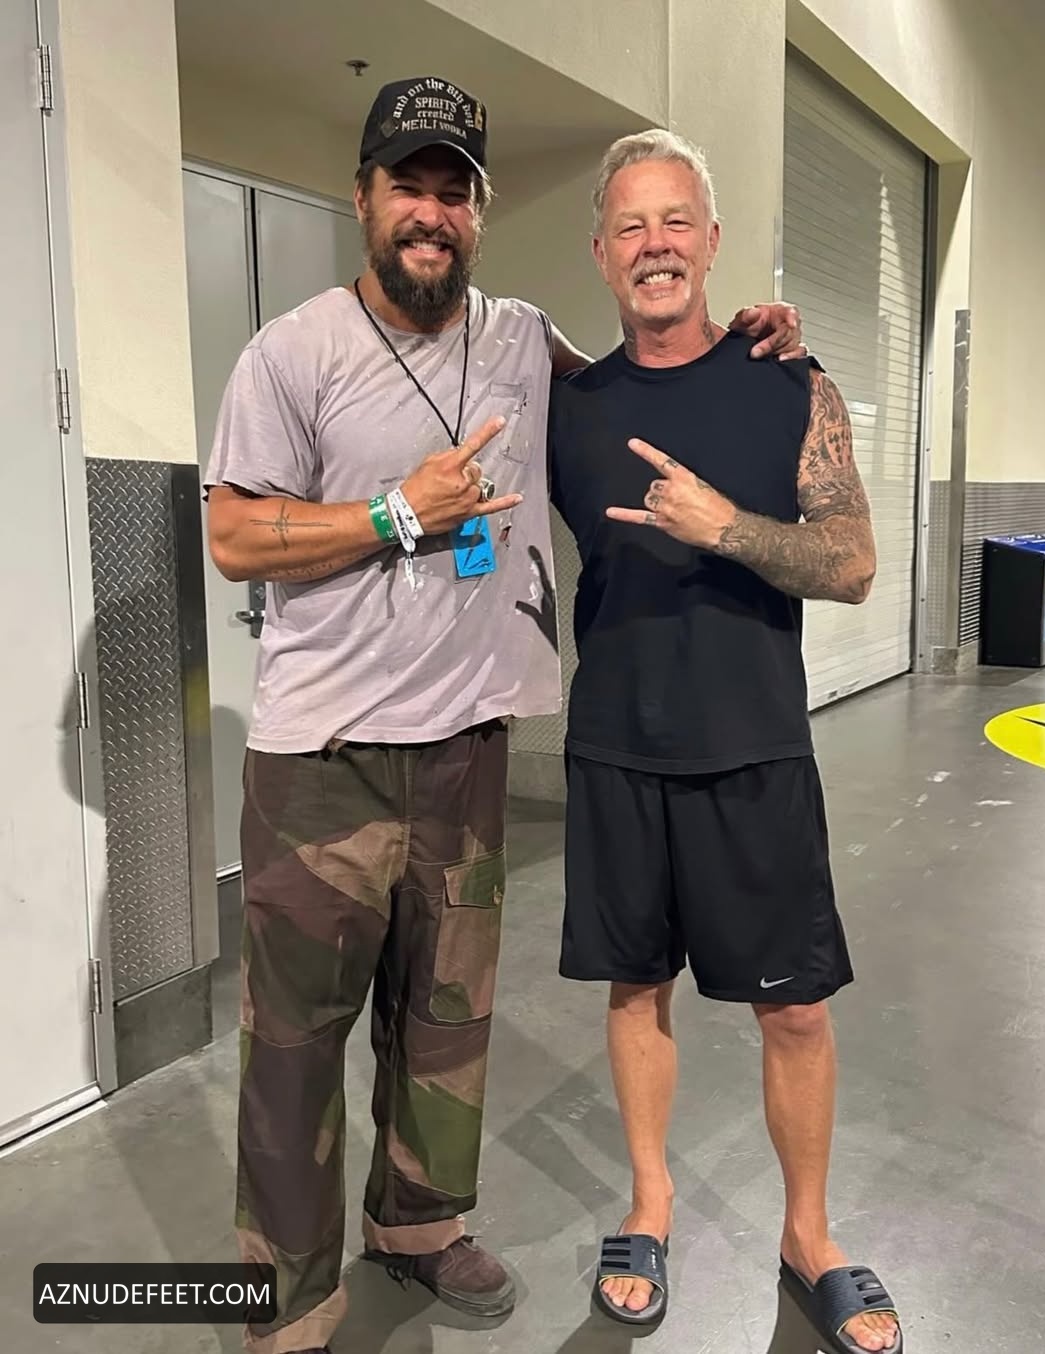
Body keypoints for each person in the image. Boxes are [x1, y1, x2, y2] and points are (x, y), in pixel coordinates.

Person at [204, 76, 805, 1354]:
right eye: (407, 186)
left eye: (454, 191)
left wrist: (748, 334)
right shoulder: (293, 352)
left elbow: (644, 374)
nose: (430, 212)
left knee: (447, 1018)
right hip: (322, 760)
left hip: (468, 748)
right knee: (296, 1046)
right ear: (363, 198)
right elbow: (235, 536)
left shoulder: (526, 339)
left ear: (478, 212)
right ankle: (287, 1304)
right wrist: (393, 513)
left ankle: (419, 1226)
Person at [548, 128, 903, 1354]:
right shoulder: (570, 403)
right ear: (602, 253)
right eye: (630, 226)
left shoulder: (789, 382)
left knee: (795, 1009)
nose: (654, 244)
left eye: (674, 220)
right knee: (635, 986)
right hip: (616, 746)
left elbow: (854, 564)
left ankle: (809, 1234)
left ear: (710, 240)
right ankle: (649, 1204)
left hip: (755, 747)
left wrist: (727, 528)